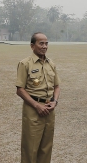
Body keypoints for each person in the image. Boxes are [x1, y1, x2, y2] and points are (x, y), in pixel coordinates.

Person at [16, 32, 61, 163]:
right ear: (32, 46)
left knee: (46, 148)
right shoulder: (25, 64)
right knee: (30, 148)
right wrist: (37, 106)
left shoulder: (51, 63)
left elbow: (57, 86)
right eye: (41, 43)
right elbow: (20, 90)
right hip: (33, 110)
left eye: (46, 43)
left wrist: (55, 102)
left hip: (49, 109)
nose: (44, 46)